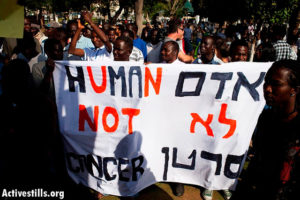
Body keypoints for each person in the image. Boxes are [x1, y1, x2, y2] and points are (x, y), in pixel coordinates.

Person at [232, 60, 300, 200]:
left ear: (294, 89)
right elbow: (257, 160)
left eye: (276, 84)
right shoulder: (267, 118)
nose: (268, 89)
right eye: (266, 82)